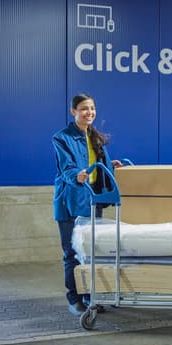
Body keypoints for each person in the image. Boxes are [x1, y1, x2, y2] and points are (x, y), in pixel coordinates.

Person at [52, 93, 123, 315]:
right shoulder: (62, 137)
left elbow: (92, 162)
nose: (89, 112)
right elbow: (67, 168)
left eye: (92, 108)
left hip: (94, 201)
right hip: (71, 201)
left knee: (91, 252)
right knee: (72, 253)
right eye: (83, 108)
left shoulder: (94, 136)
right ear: (73, 111)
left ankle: (90, 295)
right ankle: (74, 299)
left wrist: (109, 165)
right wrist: (77, 175)